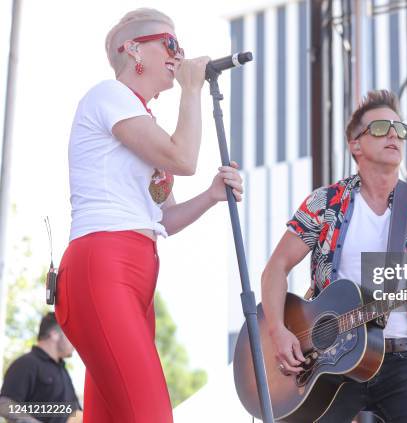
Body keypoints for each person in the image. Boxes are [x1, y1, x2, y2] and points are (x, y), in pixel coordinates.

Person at [55, 8, 243, 422]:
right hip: (102, 265)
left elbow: (165, 220)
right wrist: (192, 90)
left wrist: (212, 196)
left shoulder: (142, 120)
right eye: (170, 44)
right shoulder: (109, 95)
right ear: (133, 48)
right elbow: (183, 158)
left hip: (136, 274)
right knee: (150, 415)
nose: (178, 56)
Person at [261, 90, 407, 422]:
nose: (393, 134)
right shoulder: (326, 202)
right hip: (326, 360)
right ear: (355, 145)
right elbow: (276, 267)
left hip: (401, 358)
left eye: (400, 129)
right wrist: (278, 331)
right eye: (380, 128)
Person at [0, 312, 82, 423]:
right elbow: (5, 404)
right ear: (54, 334)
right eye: (69, 334)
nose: (74, 342)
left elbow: (75, 412)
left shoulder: (62, 370)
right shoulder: (26, 363)